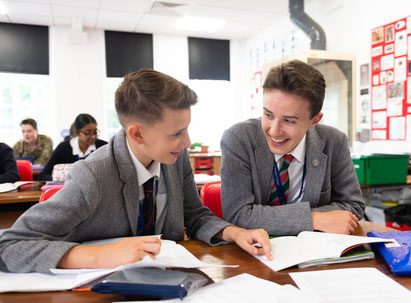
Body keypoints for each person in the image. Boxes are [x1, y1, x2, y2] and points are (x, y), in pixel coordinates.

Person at [0, 69, 271, 273]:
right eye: (177, 133)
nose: (187, 142)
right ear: (137, 134)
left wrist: (234, 232)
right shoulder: (92, 175)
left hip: (172, 282)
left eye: (186, 129)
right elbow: (11, 245)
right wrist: (97, 255)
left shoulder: (175, 157)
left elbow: (194, 215)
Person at [220, 60, 365, 236]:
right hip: (256, 252)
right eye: (268, 115)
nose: (274, 130)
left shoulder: (334, 141)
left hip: (316, 251)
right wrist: (313, 218)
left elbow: (354, 205)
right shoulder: (239, 139)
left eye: (288, 120)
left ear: (314, 121)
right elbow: (237, 214)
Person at [38, 114, 107, 181]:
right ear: (76, 132)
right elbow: (43, 175)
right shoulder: (63, 148)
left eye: (95, 132)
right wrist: (62, 179)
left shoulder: (103, 146)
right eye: (87, 133)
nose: (93, 136)